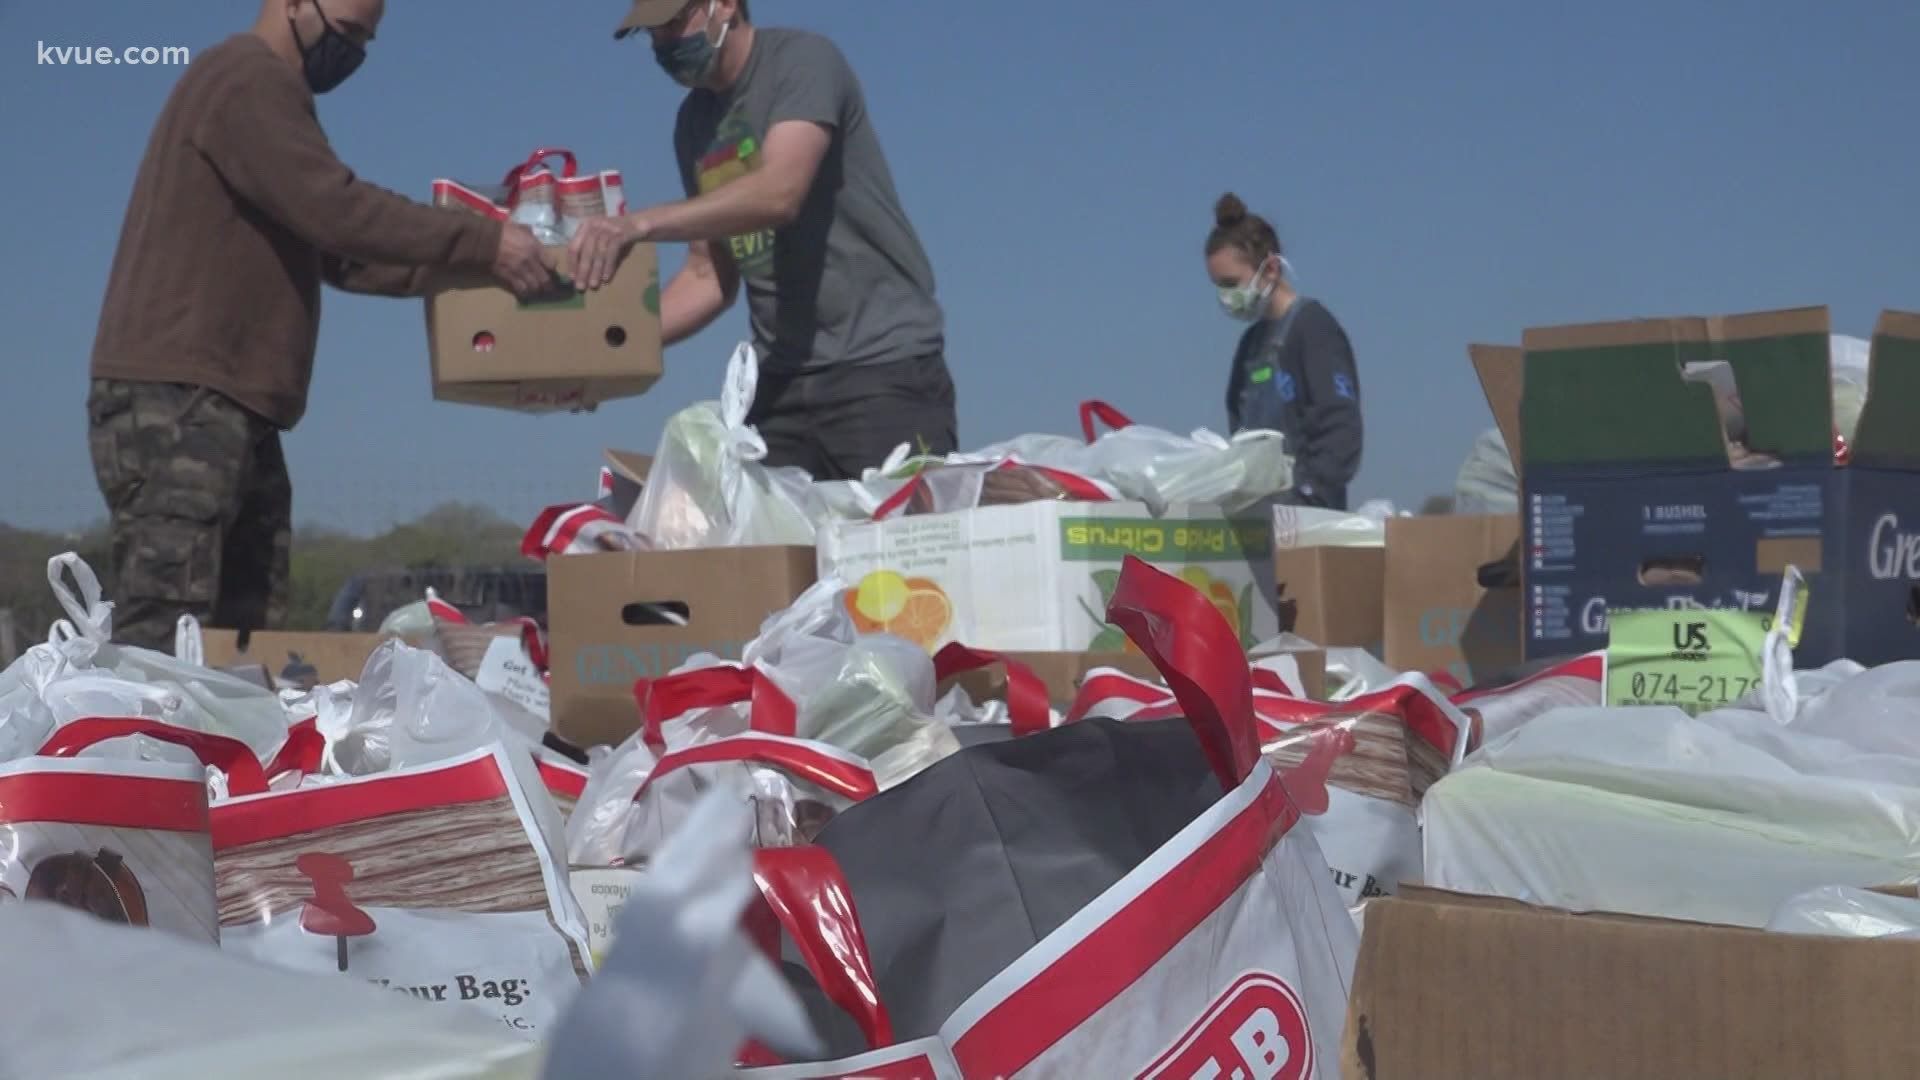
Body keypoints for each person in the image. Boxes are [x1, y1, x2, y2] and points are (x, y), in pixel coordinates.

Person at [87, 0, 552, 651]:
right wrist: (485, 243)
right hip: (181, 404)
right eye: (347, 33)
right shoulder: (247, 79)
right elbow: (336, 208)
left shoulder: (272, 100)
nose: (354, 53)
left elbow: (341, 253)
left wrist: (476, 274)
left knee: (243, 643)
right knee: (167, 635)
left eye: (365, 40)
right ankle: (128, 751)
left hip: (229, 406)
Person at [572, 0, 957, 480]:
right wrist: (599, 358)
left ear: (726, 6)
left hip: (880, 372)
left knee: (900, 551)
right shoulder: (692, 124)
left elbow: (780, 192)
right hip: (777, 388)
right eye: (650, 34)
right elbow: (708, 274)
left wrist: (639, 224)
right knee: (771, 549)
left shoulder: (804, 62)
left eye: (672, 23)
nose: (662, 44)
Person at [1207, 193, 1363, 510]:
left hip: (1309, 520)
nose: (1226, 296)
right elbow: (1239, 434)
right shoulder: (1250, 346)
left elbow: (1340, 431)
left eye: (1231, 283)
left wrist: (1307, 494)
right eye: (1218, 286)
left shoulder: (1313, 329)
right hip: (1260, 521)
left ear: (1271, 269)